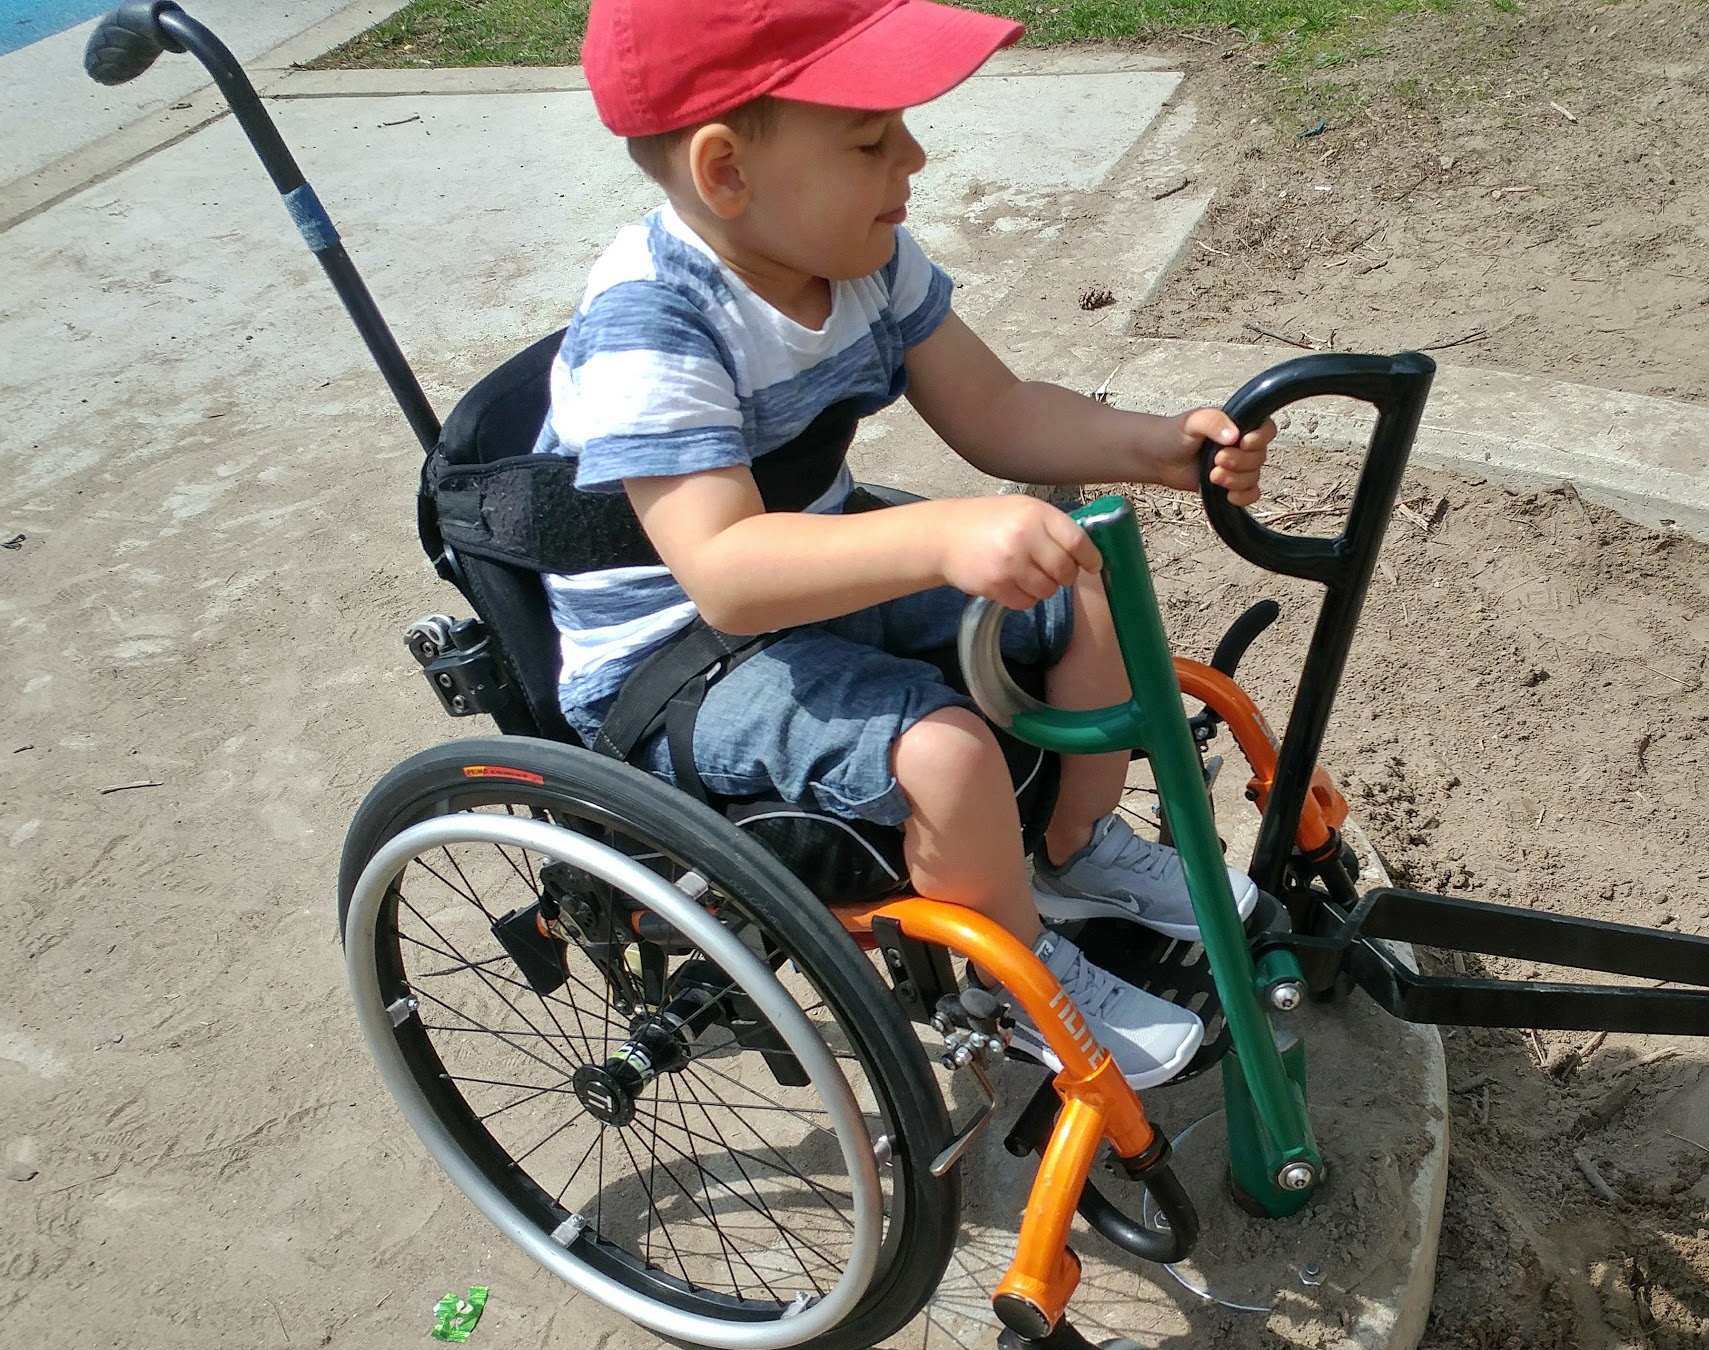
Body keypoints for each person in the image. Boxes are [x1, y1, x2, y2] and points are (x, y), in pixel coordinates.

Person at [540, 0, 1277, 1088]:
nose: (916, 158)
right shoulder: (653, 325)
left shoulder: (861, 258)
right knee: (942, 752)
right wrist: (937, 535)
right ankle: (1009, 975)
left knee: (1085, 583)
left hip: (814, 563)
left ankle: (1073, 853)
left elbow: (994, 408)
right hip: (676, 653)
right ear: (725, 171)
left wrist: (1156, 446)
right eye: (871, 140)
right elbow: (728, 576)